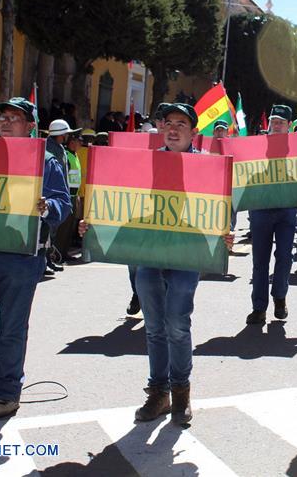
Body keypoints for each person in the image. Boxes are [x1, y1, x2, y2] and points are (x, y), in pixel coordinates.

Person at [81, 103, 233, 425]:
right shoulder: (142, 164)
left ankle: (181, 393)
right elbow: (122, 202)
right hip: (148, 253)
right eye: (168, 123)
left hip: (185, 253)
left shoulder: (207, 167)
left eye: (181, 123)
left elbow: (221, 212)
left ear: (194, 132)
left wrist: (224, 235)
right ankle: (158, 393)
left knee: (177, 323)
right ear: (162, 129)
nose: (174, 128)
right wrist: (93, 226)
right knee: (153, 328)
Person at [0, 97, 71, 419]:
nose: (5, 122)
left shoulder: (46, 162)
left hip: (22, 256)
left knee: (12, 329)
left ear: (31, 126)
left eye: (15, 118)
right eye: (2, 116)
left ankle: (7, 393)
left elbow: (64, 206)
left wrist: (47, 207)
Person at [246, 105, 297, 324]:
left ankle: (279, 297)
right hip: (260, 208)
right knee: (260, 261)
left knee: (285, 257)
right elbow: (244, 169)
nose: (276, 126)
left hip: (287, 209)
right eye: (273, 122)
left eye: (281, 122)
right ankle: (259, 307)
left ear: (288, 126)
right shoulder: (256, 146)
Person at [45, 119, 77, 272]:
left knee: (53, 232)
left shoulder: (58, 148)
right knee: (49, 231)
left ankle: (48, 260)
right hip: (52, 194)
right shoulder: (52, 149)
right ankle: (45, 261)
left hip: (59, 192)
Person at [53, 130, 83, 263]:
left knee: (70, 227)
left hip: (73, 195)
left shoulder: (74, 155)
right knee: (63, 228)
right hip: (67, 195)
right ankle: (57, 254)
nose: (81, 144)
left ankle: (64, 253)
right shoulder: (65, 155)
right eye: (79, 141)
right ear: (72, 142)